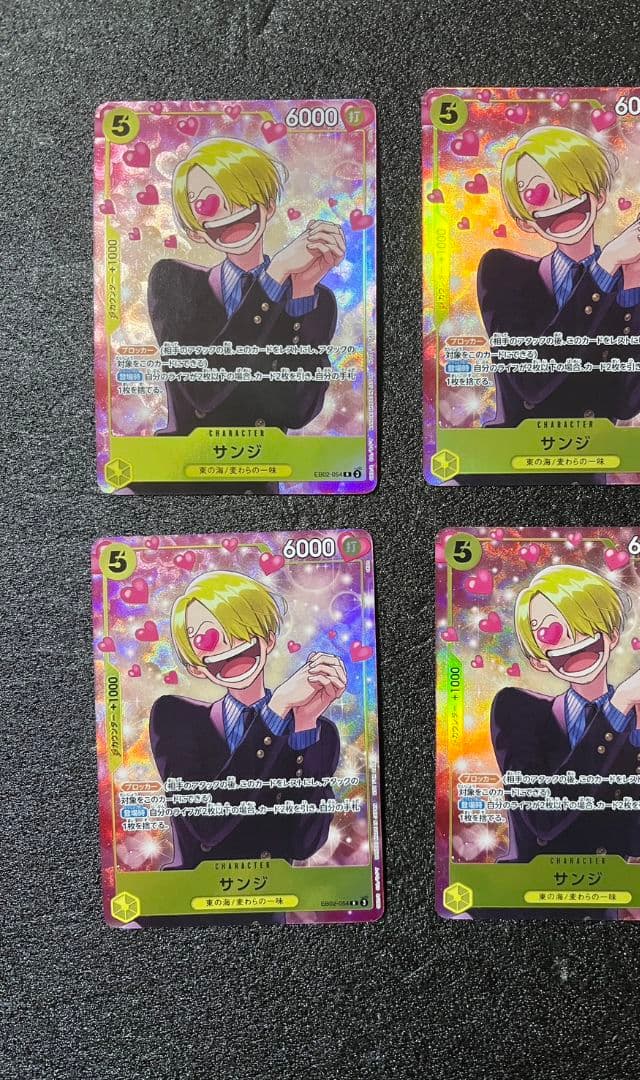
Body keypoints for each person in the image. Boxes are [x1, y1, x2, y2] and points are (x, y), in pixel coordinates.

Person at [474, 127, 640, 483]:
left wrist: (632, 284)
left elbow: (627, 403)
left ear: (598, 196)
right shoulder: (504, 271)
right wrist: (606, 265)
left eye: (571, 183)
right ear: (524, 219)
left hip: (585, 474)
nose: (558, 201)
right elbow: (531, 379)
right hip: (505, 467)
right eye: (537, 192)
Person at [143, 138, 345, 491]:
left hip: (256, 486)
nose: (229, 211)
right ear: (195, 230)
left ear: (268, 205)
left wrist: (300, 293)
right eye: (208, 203)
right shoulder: (174, 280)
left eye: (241, 193)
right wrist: (276, 273)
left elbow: (297, 412)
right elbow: (203, 388)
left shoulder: (317, 300)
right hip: (178, 479)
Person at [490, 565, 640, 889]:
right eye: (550, 632)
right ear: (539, 660)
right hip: (519, 898)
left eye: (583, 624)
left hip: (599, 902)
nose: (571, 639)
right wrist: (618, 705)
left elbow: (639, 841)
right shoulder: (518, 709)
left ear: (611, 636)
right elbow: (543, 817)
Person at [150, 571, 345, 873]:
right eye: (207, 638)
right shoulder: (175, 716)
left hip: (270, 895)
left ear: (268, 640)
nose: (228, 645)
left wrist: (304, 724)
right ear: (196, 667)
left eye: (240, 629)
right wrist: (276, 708)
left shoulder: (318, 732)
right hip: (192, 894)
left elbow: (303, 844)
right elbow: (206, 823)